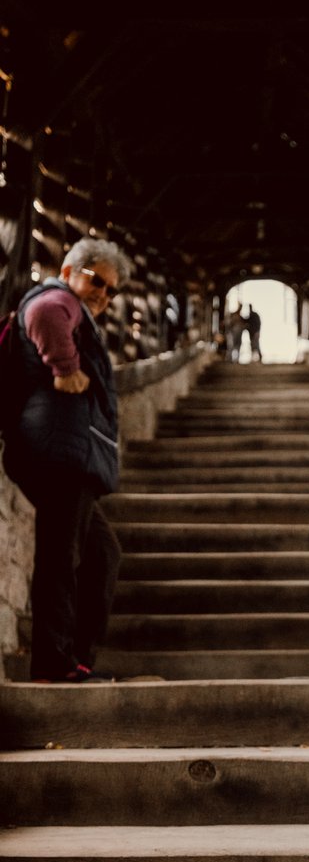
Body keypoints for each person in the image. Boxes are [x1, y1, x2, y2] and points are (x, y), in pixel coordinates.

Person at [6, 237, 131, 683]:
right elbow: (42, 315)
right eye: (98, 281)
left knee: (102, 553)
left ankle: (75, 659)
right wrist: (63, 366)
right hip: (59, 452)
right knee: (63, 557)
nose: (103, 294)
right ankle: (53, 664)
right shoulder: (59, 298)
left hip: (68, 453)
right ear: (69, 269)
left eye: (112, 291)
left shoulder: (73, 305)